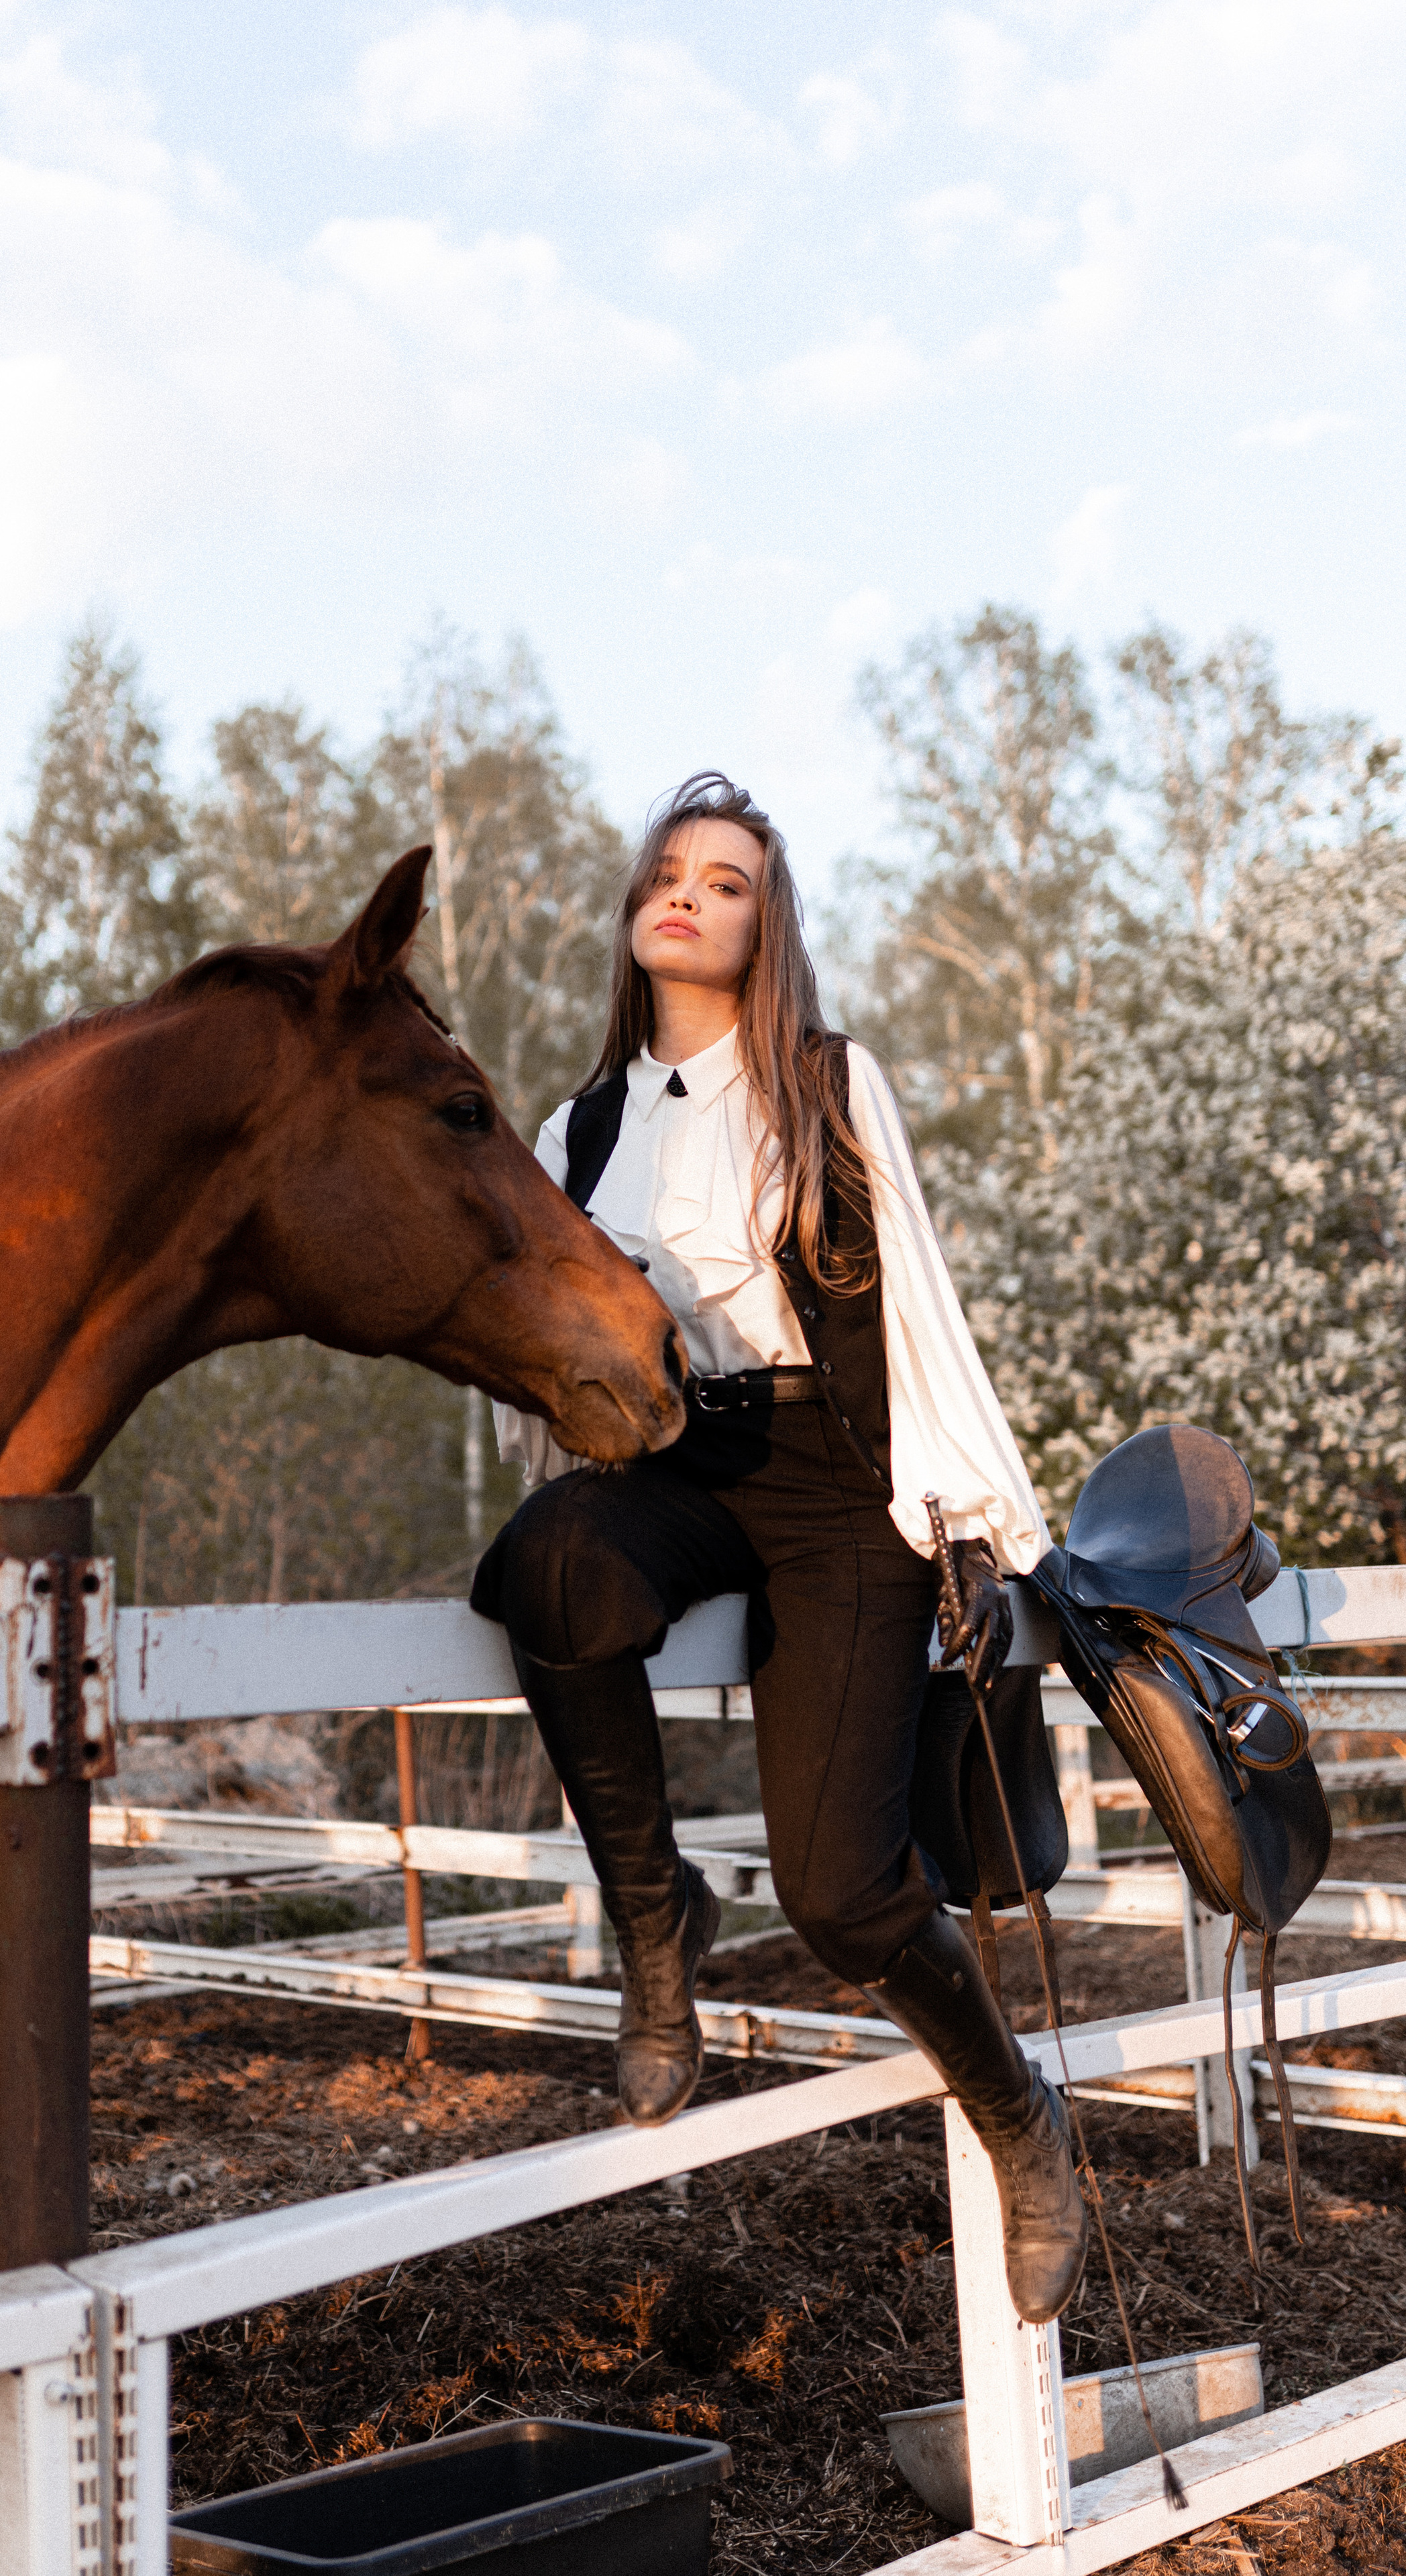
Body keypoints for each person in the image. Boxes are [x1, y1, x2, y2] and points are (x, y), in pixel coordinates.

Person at [470, 772, 1086, 2324]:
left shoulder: (824, 1078)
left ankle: (1019, 2117)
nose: (685, 894)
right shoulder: (578, 1126)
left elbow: (914, 1305)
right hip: (681, 1454)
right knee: (548, 1560)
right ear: (633, 915)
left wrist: (964, 1513)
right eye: (666, 873)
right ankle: (653, 1919)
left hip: (835, 1470)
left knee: (838, 1893)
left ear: (764, 924)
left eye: (724, 880)